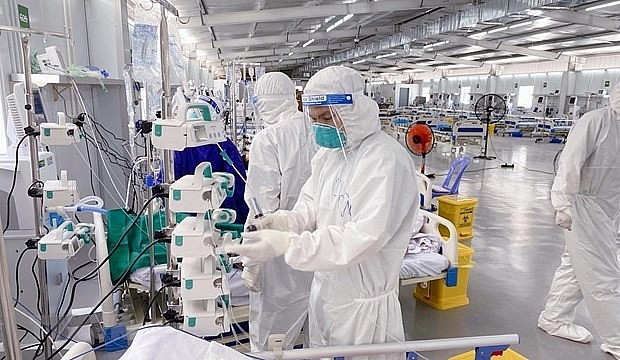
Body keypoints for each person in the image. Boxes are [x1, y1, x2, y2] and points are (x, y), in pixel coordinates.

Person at [228, 66, 419, 359]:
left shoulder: (385, 159)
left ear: (354, 108)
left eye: (327, 118)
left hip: (362, 310)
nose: (321, 127)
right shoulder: (330, 156)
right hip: (326, 295)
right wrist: (281, 221)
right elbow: (310, 207)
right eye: (315, 120)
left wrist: (291, 244)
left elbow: (363, 237)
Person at [538, 83, 620, 359]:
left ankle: (554, 317)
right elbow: (570, 163)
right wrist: (562, 203)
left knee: (574, 265)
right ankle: (617, 339)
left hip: (608, 210)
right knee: (602, 274)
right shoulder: (596, 122)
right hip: (584, 206)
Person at [243, 72, 316, 351]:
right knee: (317, 333)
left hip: (281, 248)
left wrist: (252, 262)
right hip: (321, 242)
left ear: (263, 102)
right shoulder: (318, 128)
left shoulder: (268, 139)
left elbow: (262, 210)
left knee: (272, 334)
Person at [173, 95, 249, 224]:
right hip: (219, 209)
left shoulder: (178, 143)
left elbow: (168, 179)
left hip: (183, 210)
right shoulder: (221, 143)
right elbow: (236, 181)